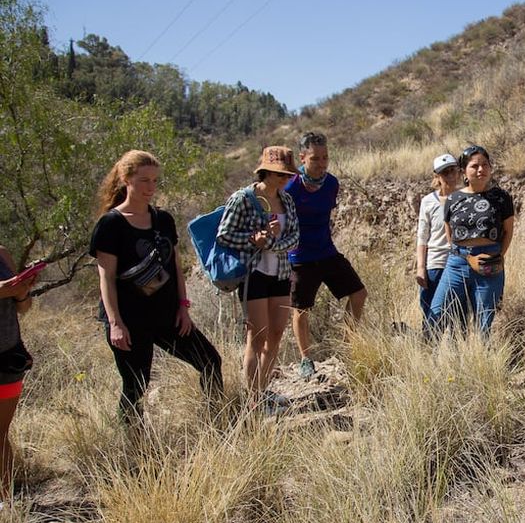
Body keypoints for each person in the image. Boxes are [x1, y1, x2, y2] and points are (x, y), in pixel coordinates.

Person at [90, 150, 223, 422]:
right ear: (126, 179)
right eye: (143, 181)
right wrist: (115, 323)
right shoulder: (111, 224)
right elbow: (106, 278)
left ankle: (216, 422)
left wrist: (183, 308)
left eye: (154, 181)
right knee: (136, 386)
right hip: (129, 320)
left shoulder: (163, 220)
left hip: (166, 315)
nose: (150, 188)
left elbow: (175, 267)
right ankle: (133, 446)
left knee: (210, 361)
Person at [217, 146, 300, 400]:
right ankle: (253, 399)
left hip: (281, 273)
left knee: (276, 334)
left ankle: (263, 391)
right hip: (254, 273)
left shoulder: (286, 200)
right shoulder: (242, 198)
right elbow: (225, 235)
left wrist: (271, 243)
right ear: (265, 172)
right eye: (280, 175)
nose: (285, 180)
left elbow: (295, 237)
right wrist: (255, 240)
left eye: (288, 175)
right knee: (257, 336)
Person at [285, 132, 366, 379]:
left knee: (359, 294)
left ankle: (347, 344)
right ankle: (305, 359)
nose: (321, 163)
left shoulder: (331, 183)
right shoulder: (290, 187)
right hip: (300, 257)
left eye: (325, 157)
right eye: (315, 158)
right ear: (302, 158)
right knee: (301, 308)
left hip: (327, 252)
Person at [428, 145, 514, 337]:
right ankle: (431, 360)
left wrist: (497, 256)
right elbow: (449, 231)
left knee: (484, 324)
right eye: (474, 166)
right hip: (457, 263)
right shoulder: (454, 199)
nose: (481, 169)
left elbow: (508, 232)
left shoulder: (501, 197)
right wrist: (463, 254)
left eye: (485, 165)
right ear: (464, 171)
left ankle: (482, 363)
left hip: (489, 262)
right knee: (437, 314)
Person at [0, 246, 35, 502]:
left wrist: (22, 292)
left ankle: (6, 503)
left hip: (9, 357)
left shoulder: (2, 253)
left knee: (0, 433)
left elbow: (23, 308)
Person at [416, 153, 461, 335]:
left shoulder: (465, 198)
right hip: (435, 264)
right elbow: (422, 237)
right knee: (431, 314)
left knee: (457, 316)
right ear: (437, 177)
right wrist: (421, 268)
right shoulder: (428, 202)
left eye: (452, 171)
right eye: (445, 173)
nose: (450, 176)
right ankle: (427, 353)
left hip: (458, 264)